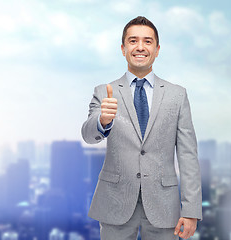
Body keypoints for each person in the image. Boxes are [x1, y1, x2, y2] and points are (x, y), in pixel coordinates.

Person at [81, 16, 202, 239]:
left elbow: (187, 154)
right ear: (123, 48)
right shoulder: (104, 91)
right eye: (133, 41)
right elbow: (88, 135)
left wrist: (191, 210)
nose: (140, 47)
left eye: (147, 41)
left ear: (157, 49)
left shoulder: (177, 95)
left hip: (164, 205)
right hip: (115, 201)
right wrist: (102, 121)